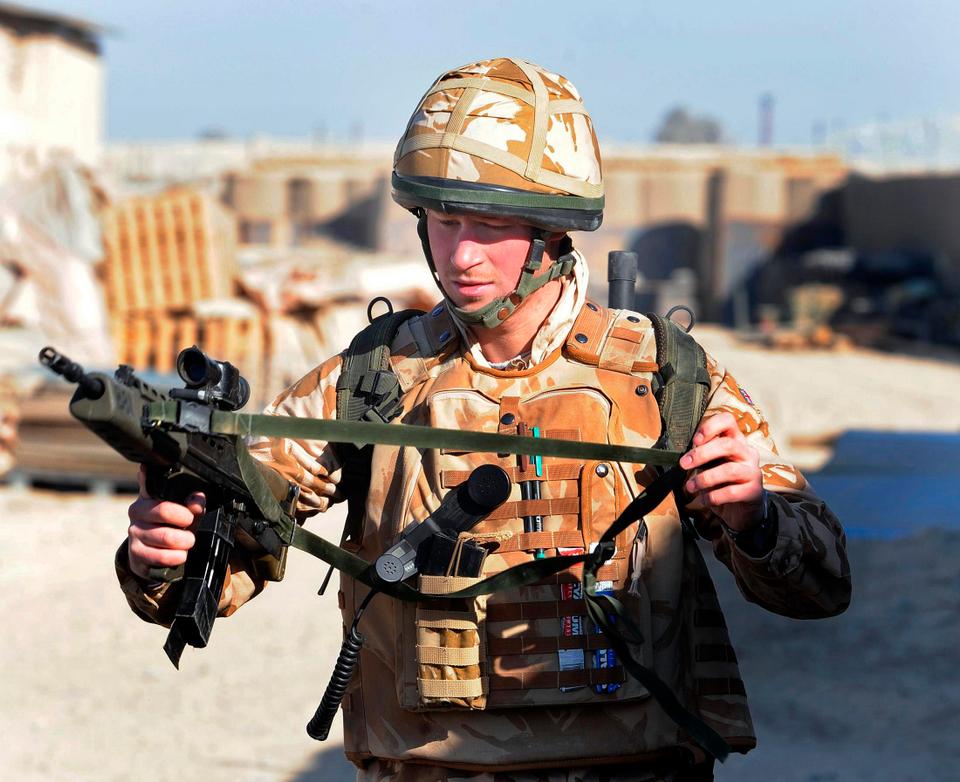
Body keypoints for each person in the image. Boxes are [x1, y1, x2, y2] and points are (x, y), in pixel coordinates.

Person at [118, 58, 851, 781]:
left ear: (552, 229)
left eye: (491, 222)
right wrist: (163, 552)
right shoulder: (370, 382)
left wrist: (755, 518)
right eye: (443, 218)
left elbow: (821, 587)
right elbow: (220, 563)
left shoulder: (664, 379)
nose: (461, 253)